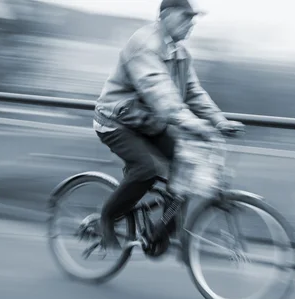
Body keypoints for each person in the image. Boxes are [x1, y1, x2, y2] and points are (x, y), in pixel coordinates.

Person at [93, 0, 244, 250]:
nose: (191, 23)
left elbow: (193, 92)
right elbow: (161, 94)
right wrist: (193, 124)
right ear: (165, 16)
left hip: (150, 123)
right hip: (117, 120)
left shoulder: (181, 53)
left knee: (185, 168)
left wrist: (218, 120)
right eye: (185, 17)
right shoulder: (144, 45)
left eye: (193, 18)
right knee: (147, 168)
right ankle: (106, 218)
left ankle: (164, 227)